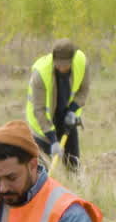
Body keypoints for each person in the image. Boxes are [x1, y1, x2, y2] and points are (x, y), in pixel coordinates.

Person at [26, 38, 91, 170]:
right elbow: (39, 110)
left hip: (67, 119)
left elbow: (83, 90)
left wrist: (72, 110)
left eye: (65, 64)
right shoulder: (40, 73)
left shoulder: (81, 62)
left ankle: (74, 185)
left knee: (73, 165)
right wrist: (53, 140)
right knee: (40, 170)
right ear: (53, 59)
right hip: (42, 124)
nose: (61, 68)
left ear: (72, 60)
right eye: (58, 64)